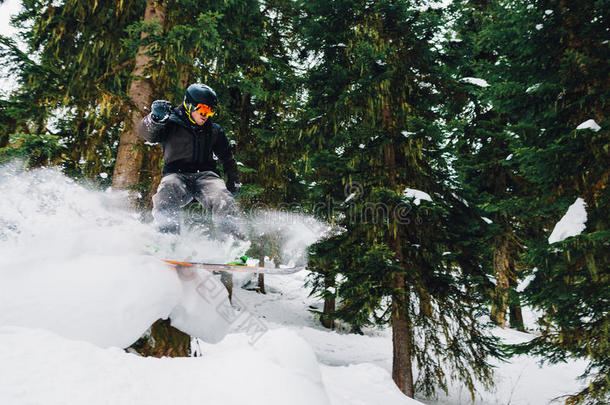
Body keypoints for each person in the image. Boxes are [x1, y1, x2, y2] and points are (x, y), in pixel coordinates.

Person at [138, 83, 245, 244]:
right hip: (176, 175)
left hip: (206, 176)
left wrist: (233, 180)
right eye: (203, 109)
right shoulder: (170, 122)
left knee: (223, 198)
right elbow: (147, 135)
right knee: (165, 193)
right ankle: (168, 240)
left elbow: (227, 157)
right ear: (189, 105)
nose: (206, 115)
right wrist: (155, 119)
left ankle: (233, 246)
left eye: (211, 111)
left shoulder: (214, 130)